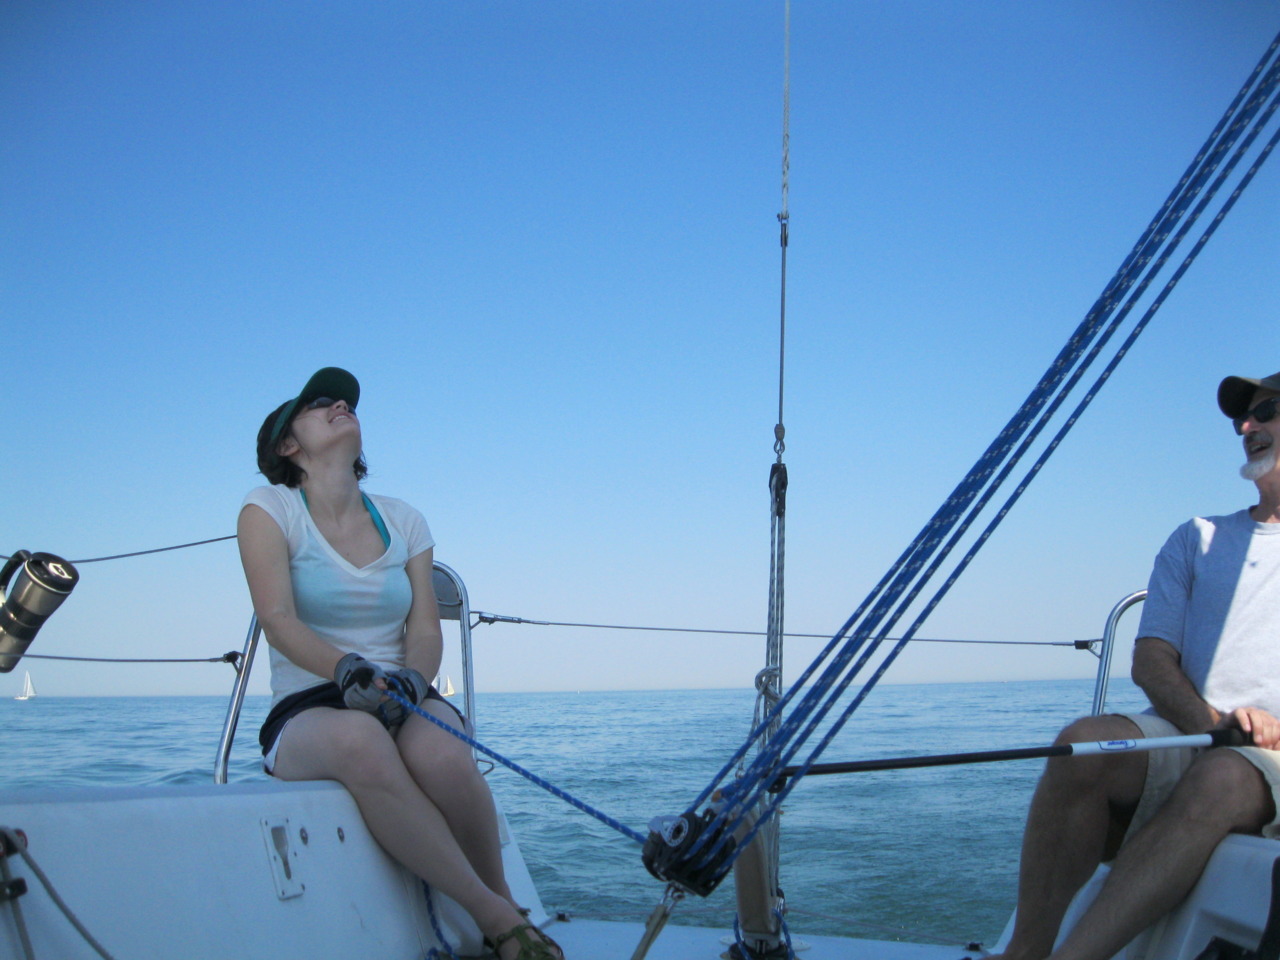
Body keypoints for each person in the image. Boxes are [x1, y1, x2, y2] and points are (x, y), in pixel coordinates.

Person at [237, 367, 563, 960]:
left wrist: (414, 680)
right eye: (319, 404)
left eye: (344, 401)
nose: (339, 405)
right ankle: (495, 917)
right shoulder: (269, 508)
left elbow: (424, 628)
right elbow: (277, 619)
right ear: (288, 445)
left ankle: (507, 902)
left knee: (443, 754)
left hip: (402, 690)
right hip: (310, 702)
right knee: (361, 741)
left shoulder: (405, 519)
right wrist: (345, 669)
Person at [988, 369, 1280, 960]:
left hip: (1267, 757)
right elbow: (1150, 659)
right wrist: (1211, 724)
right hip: (1194, 729)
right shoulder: (1196, 537)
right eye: (1240, 418)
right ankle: (1024, 951)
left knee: (1221, 778)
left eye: (1266, 410)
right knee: (1082, 745)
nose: (1246, 426)